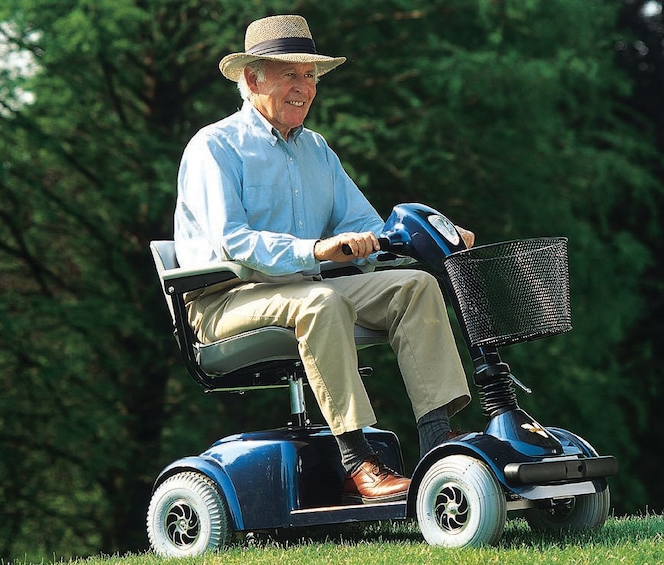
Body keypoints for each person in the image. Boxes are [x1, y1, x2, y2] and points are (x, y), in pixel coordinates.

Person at [174, 14, 472, 504]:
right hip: (223, 302)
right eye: (289, 73)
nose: (303, 87)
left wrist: (435, 234)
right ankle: (358, 462)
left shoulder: (316, 149)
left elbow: (369, 227)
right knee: (320, 302)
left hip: (302, 290)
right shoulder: (214, 146)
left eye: (310, 75)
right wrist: (313, 250)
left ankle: (440, 451)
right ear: (252, 78)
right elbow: (232, 241)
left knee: (415, 286)